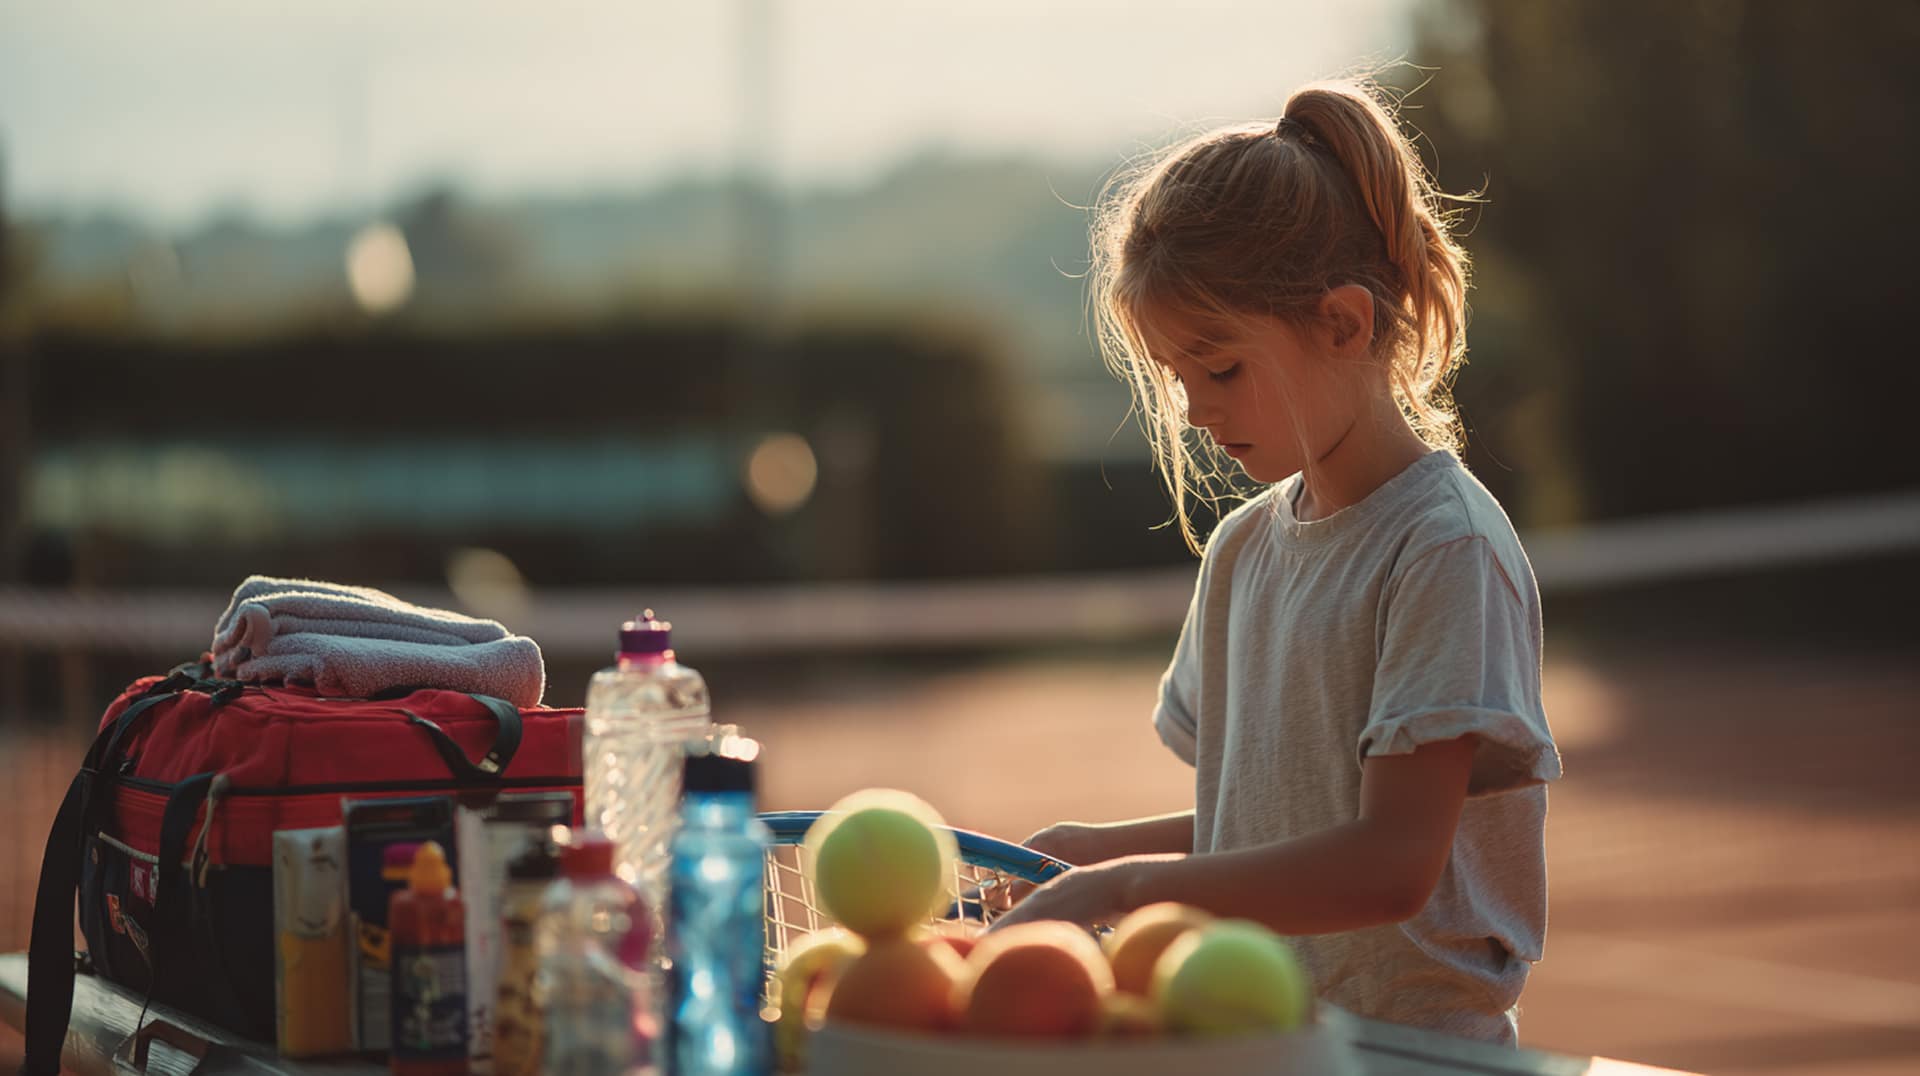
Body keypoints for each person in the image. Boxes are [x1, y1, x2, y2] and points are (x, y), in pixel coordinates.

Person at [990, 79, 1562, 1045]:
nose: (1195, 411)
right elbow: (1257, 825)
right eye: (1176, 377)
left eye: (1220, 368)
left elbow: (1387, 864)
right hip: (1257, 1043)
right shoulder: (1243, 547)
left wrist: (1127, 887)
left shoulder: (1443, 548)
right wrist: (1087, 857)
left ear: (1344, 324)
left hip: (1411, 1057)